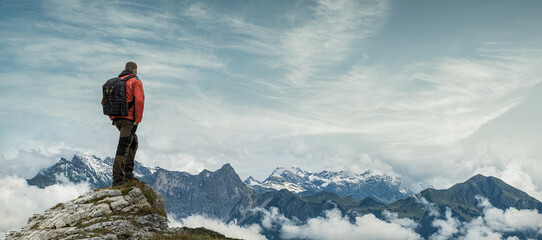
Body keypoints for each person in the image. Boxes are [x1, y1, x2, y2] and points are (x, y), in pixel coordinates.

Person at [107, 61, 145, 187]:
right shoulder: (135, 81)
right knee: (123, 147)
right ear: (135, 70)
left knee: (133, 142)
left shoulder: (114, 83)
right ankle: (118, 179)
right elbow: (139, 100)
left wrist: (113, 116)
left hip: (117, 119)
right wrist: (137, 120)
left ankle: (128, 172)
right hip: (129, 120)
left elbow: (104, 101)